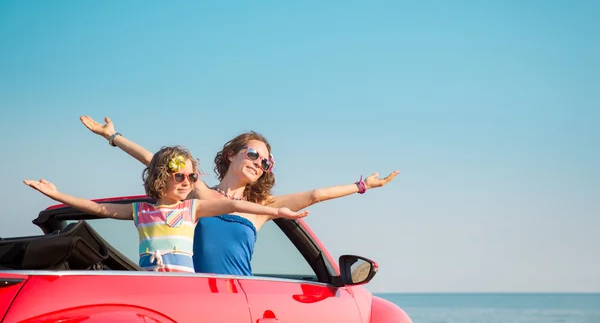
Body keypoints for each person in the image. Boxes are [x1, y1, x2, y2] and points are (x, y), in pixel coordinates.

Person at [80, 115, 399, 275]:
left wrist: (363, 186)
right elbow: (156, 161)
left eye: (267, 161)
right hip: (192, 295)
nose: (260, 163)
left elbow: (316, 194)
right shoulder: (200, 193)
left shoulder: (261, 207)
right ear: (231, 154)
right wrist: (113, 137)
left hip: (239, 292)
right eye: (253, 154)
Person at [23, 145, 308, 273]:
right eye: (180, 176)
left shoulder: (192, 209)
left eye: (192, 177)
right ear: (162, 178)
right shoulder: (142, 212)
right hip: (150, 286)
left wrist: (277, 212)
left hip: (188, 286)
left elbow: (234, 204)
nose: (187, 182)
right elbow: (99, 209)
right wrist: (58, 194)